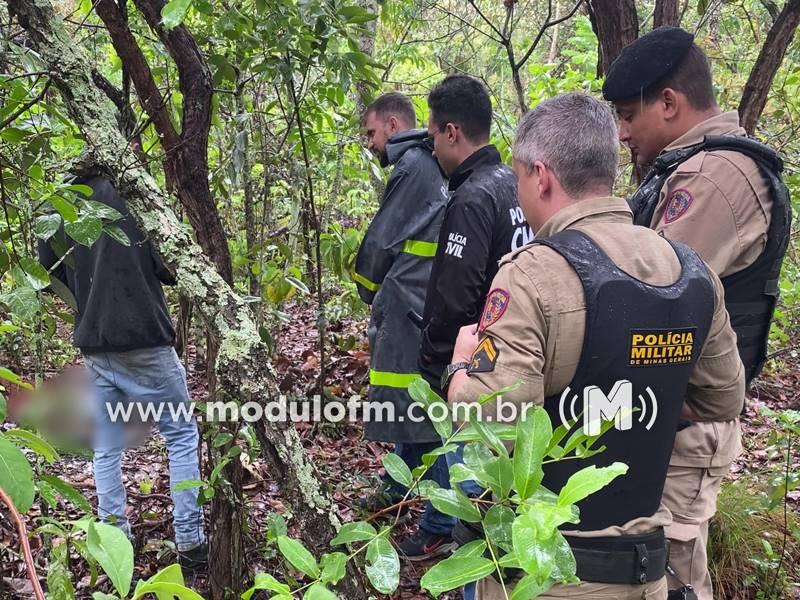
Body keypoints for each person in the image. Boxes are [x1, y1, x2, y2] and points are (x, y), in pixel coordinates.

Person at [447, 93, 745, 599]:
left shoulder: (533, 274)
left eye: (519, 178)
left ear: (540, 176)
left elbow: (491, 417)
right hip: (646, 570)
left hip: (552, 574)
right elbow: (723, 399)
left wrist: (459, 367)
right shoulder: (692, 273)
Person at [603, 26, 791, 598]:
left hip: (684, 420)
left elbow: (650, 293)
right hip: (667, 411)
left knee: (670, 571)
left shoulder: (714, 178)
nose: (622, 132)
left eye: (627, 115)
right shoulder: (694, 168)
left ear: (668, 102)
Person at [38, 171, 207, 570]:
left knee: (107, 443)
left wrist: (86, 296)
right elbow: (172, 266)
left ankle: (115, 546)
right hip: (145, 338)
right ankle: (190, 542)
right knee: (181, 434)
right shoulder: (137, 190)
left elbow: (47, 269)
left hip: (96, 342)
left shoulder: (66, 197)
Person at [408, 74, 532, 560]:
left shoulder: (474, 196)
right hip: (515, 349)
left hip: (476, 354)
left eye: (434, 134)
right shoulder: (510, 185)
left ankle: (445, 529)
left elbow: (457, 295)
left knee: (457, 444)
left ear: (452, 132)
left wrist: (438, 359)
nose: (432, 146)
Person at [355, 92, 452, 550]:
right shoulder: (426, 163)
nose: (369, 144)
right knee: (412, 406)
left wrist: (369, 291)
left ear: (393, 125)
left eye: (371, 133)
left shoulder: (413, 165)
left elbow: (380, 243)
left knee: (424, 416)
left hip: (409, 309)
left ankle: (439, 526)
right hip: (415, 307)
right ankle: (395, 491)